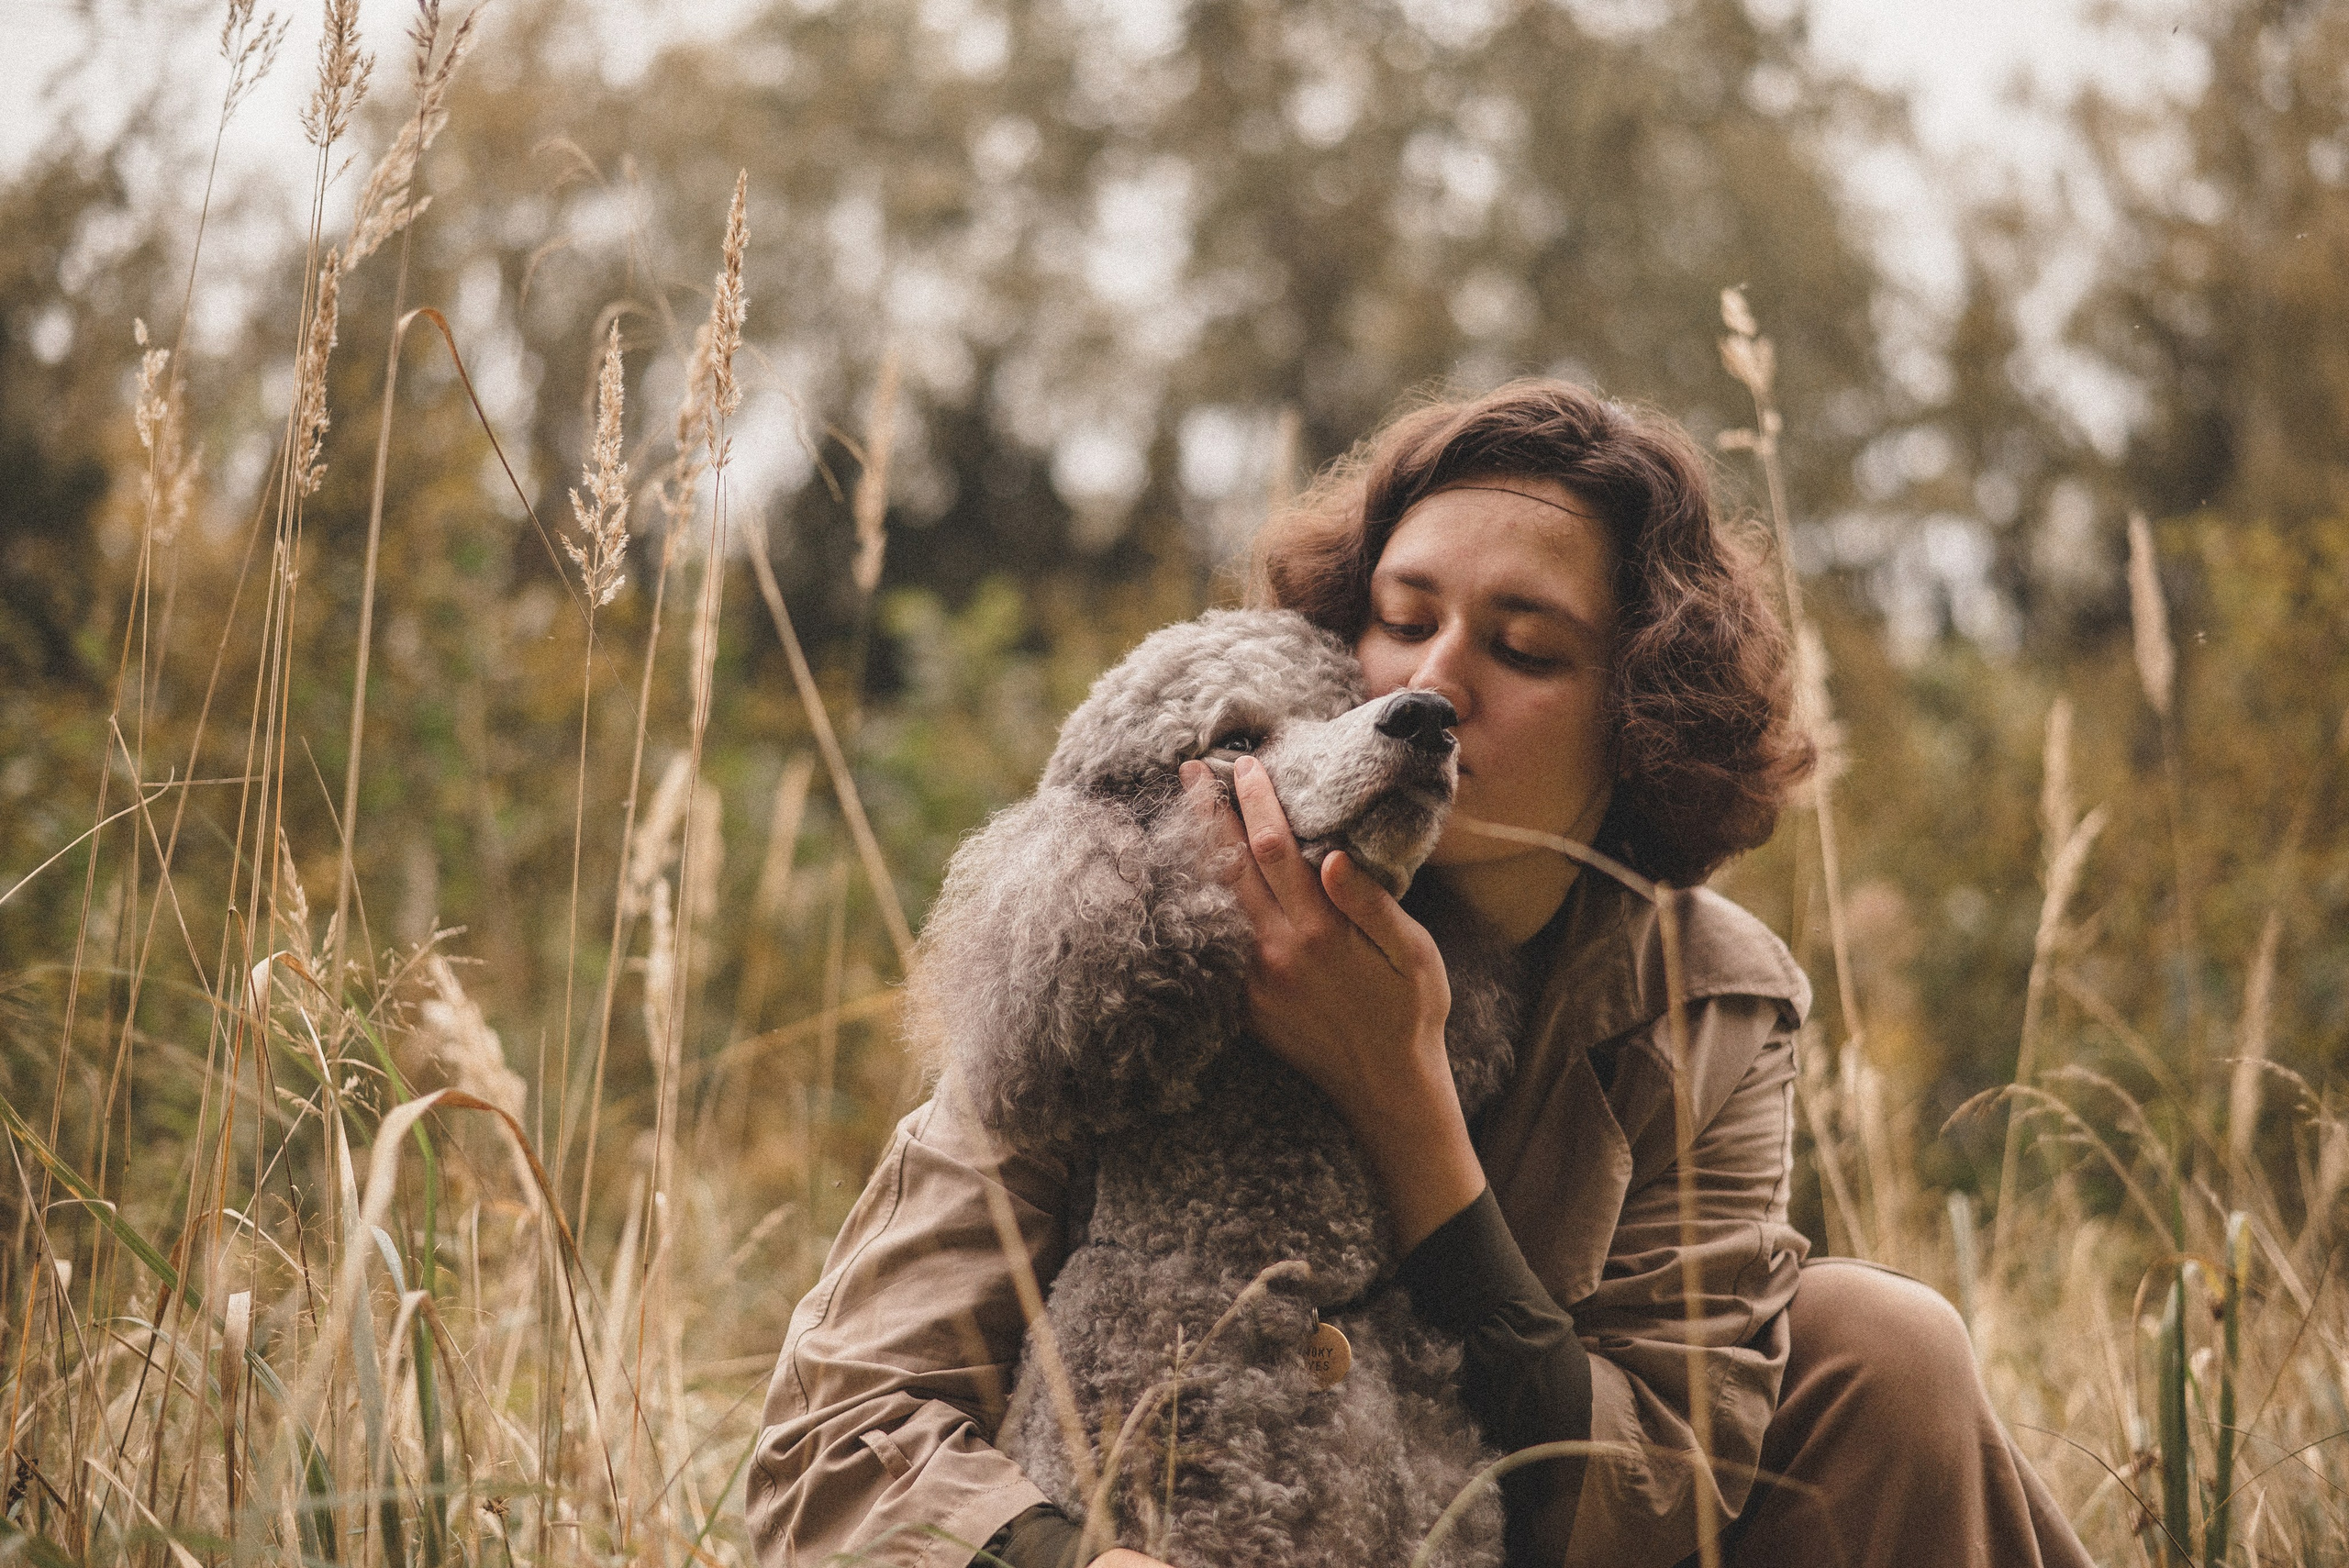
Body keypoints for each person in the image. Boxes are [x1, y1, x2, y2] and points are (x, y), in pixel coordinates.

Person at [745, 382, 2094, 1568]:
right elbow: (834, 1433)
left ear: (1637, 717)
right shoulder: (1162, 911)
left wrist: (1409, 1111)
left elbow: (1655, 1501)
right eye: (1402, 621)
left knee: (1874, 1345)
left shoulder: (1703, 996)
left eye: (1523, 650)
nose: (1435, 683)